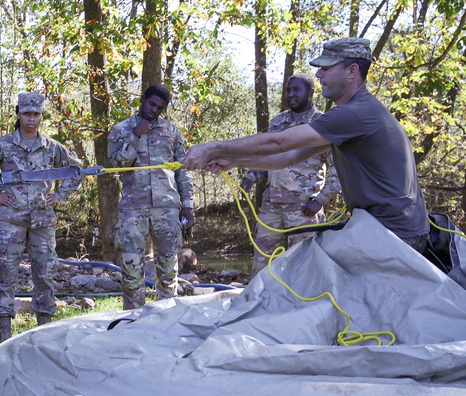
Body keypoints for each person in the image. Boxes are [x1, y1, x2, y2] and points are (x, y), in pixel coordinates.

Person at [184, 37, 429, 251]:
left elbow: (278, 142)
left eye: (326, 68)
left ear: (352, 71)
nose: (319, 74)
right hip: (382, 229)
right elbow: (287, 158)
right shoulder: (353, 115)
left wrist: (212, 148)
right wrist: (234, 161)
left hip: (396, 236)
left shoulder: (357, 113)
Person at [0, 92, 82, 342]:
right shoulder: (3, 145)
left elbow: (77, 170)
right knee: (5, 274)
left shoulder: (51, 147)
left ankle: (44, 335)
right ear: (19, 114)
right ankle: (4, 337)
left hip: (42, 222)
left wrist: (60, 195)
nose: (31, 119)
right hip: (11, 220)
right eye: (27, 114)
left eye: (36, 114)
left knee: (45, 273)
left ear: (41, 116)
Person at [241, 73, 341, 276]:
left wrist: (320, 200)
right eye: (288, 90)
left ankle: (303, 307)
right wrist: (250, 177)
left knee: (303, 267)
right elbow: (266, 157)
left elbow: (339, 170)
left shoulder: (322, 124)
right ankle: (261, 305)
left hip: (304, 210)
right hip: (272, 206)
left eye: (297, 89)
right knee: (263, 264)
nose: (291, 94)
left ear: (311, 92)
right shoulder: (278, 123)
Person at [107, 84, 194, 310]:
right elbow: (118, 163)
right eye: (151, 103)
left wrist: (188, 205)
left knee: (167, 267)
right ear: (143, 100)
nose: (154, 110)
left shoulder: (171, 131)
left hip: (167, 209)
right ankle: (133, 320)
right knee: (132, 268)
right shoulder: (122, 129)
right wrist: (136, 135)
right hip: (133, 209)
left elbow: (182, 170)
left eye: (159, 107)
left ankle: (165, 318)